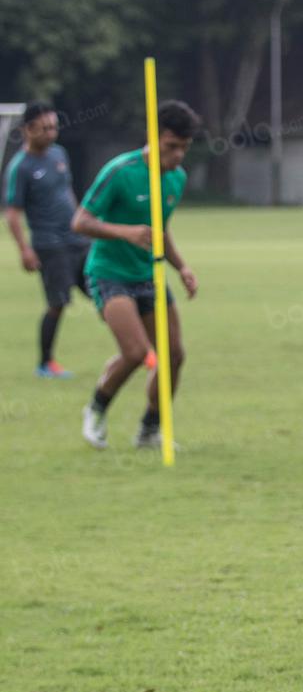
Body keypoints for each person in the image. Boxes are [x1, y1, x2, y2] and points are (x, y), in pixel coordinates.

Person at [74, 100, 201, 450]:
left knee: (173, 355)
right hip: (108, 272)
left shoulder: (176, 178)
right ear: (154, 137)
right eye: (171, 146)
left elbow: (162, 230)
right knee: (135, 352)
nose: (177, 156)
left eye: (184, 149)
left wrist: (182, 267)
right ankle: (96, 409)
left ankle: (150, 428)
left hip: (148, 274)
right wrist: (125, 232)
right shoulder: (120, 171)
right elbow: (80, 222)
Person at [4, 103, 89, 378]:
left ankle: (137, 350)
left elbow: (68, 192)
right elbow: (13, 214)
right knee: (57, 303)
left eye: (54, 127)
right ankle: (45, 363)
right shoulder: (20, 167)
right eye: (45, 128)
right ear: (28, 130)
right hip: (49, 244)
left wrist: (81, 222)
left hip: (78, 239)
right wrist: (24, 250)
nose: (52, 133)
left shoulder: (59, 154)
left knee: (105, 291)